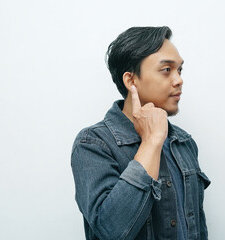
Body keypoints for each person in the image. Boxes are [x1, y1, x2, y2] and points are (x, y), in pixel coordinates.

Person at [71, 26, 211, 240]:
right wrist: (151, 143)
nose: (179, 80)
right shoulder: (93, 144)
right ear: (131, 80)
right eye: (166, 70)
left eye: (180, 70)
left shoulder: (183, 142)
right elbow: (111, 232)